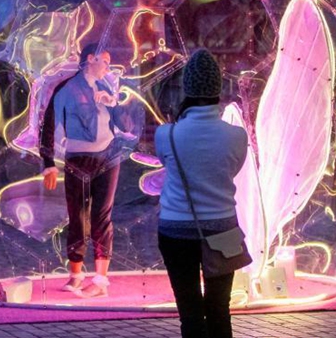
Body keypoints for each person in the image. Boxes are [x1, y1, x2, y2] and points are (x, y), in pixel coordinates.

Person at [154, 49, 248, 338]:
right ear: (218, 89)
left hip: (175, 230)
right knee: (220, 308)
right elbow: (231, 171)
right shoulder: (236, 136)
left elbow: (168, 164)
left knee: (190, 310)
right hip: (223, 229)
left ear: (188, 89)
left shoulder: (166, 134)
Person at [39, 43, 135, 298]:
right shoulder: (67, 89)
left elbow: (126, 124)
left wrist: (113, 104)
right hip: (78, 159)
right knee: (78, 216)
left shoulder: (108, 88)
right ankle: (76, 274)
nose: (108, 67)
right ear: (90, 59)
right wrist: (48, 163)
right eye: (104, 61)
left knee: (102, 216)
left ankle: (101, 279)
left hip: (108, 158)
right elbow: (49, 125)